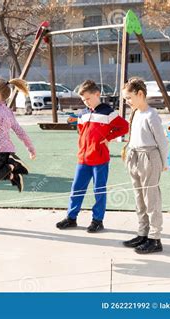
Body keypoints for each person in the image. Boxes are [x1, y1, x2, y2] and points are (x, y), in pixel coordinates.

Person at [56, 80, 129, 233]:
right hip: (83, 159)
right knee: (76, 189)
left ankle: (97, 220)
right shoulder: (82, 114)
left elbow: (124, 126)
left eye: (88, 98)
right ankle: (71, 218)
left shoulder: (108, 112)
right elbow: (81, 131)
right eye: (83, 100)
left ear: (97, 94)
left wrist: (109, 137)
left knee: (99, 190)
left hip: (100, 160)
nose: (86, 102)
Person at [121, 77, 169, 254]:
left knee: (151, 200)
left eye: (129, 98)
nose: (127, 102)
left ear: (140, 94)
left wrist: (164, 163)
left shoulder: (151, 115)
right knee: (139, 199)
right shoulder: (134, 113)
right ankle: (143, 233)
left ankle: (155, 239)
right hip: (135, 157)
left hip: (150, 158)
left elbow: (162, 142)